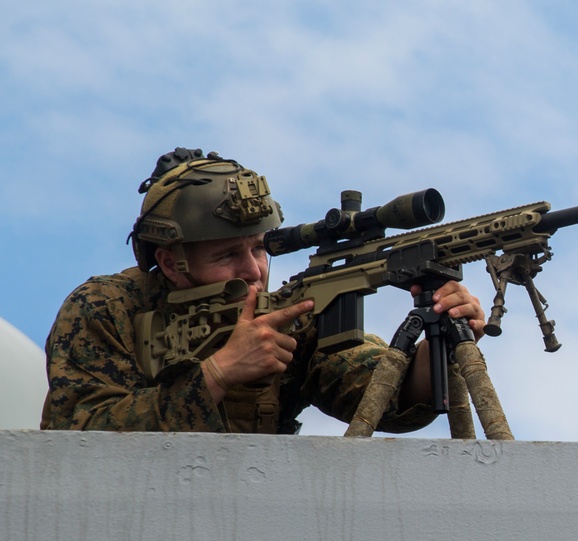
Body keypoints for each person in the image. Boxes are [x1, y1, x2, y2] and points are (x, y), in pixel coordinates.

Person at [41, 148, 486, 434]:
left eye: (260, 248)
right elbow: (77, 438)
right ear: (171, 263)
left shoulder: (290, 315)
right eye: (228, 255)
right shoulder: (105, 309)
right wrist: (217, 373)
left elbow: (376, 395)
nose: (253, 270)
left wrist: (438, 347)